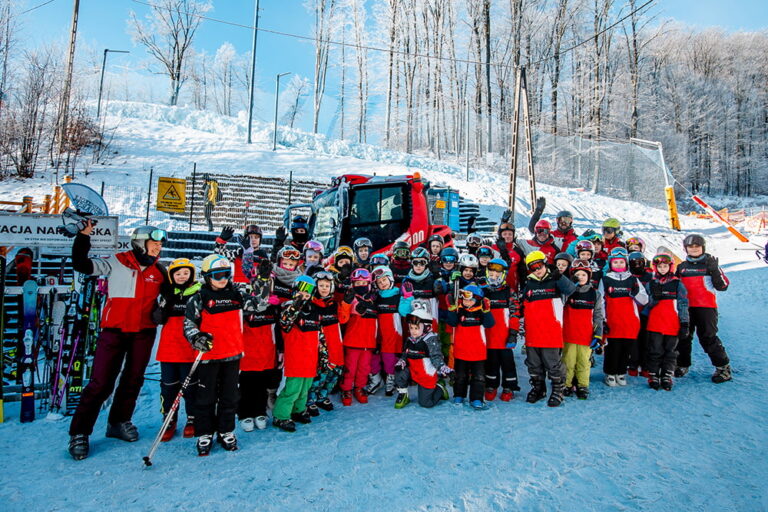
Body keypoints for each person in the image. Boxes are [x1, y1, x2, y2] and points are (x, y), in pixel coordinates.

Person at [67, 223, 167, 461]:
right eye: (154, 243)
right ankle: (79, 432)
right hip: (114, 330)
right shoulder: (116, 261)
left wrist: (164, 310)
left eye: (160, 244)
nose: (158, 248)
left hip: (143, 331)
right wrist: (83, 237)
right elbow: (81, 264)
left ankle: (119, 421)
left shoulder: (159, 271)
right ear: (140, 243)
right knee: (101, 382)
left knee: (133, 380)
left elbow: (174, 295)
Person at [183, 254, 269, 455]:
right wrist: (196, 337)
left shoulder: (236, 295)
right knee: (206, 397)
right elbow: (189, 324)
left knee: (230, 396)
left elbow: (261, 304)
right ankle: (204, 433)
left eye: (226, 275)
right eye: (217, 275)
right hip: (208, 357)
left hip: (232, 354)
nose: (222, 279)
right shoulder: (199, 298)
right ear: (206, 276)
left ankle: (226, 430)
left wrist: (263, 282)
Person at [152, 258, 201, 442]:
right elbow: (156, 319)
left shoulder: (197, 293)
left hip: (189, 349)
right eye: (178, 274)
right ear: (172, 276)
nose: (182, 277)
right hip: (169, 348)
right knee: (168, 387)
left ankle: (192, 418)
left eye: (186, 273)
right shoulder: (166, 292)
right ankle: (169, 419)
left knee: (191, 388)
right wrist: (165, 303)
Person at [520, 250, 577, 407]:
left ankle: (558, 389)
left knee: (552, 362)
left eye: (539, 266)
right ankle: (539, 388)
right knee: (534, 363)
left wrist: (558, 275)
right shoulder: (529, 284)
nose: (537, 270)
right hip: (533, 331)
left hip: (551, 330)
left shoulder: (555, 280)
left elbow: (571, 289)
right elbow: (523, 304)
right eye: (533, 268)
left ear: (545, 263)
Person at [675, 234, 732, 383]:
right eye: (690, 246)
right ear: (685, 248)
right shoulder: (682, 267)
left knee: (708, 337)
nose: (694, 249)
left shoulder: (710, 264)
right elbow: (674, 285)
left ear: (703, 247)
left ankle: (723, 367)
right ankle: (682, 364)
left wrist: (714, 270)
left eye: (697, 246)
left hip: (706, 307)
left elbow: (723, 286)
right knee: (684, 336)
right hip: (686, 307)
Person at [272, 276, 322, 432]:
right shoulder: (288, 307)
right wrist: (296, 305)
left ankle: (298, 410)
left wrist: (323, 355)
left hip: (310, 355)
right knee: (292, 388)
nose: (304, 297)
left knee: (305, 387)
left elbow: (320, 335)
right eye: (301, 293)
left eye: (307, 295)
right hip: (295, 355)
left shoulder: (314, 310)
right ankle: (281, 415)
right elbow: (285, 324)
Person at [237, 256, 280, 433]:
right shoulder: (246, 303)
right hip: (248, 352)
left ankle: (260, 410)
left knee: (262, 383)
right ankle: (244, 412)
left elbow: (279, 330)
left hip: (267, 351)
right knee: (247, 384)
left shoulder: (275, 306)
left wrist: (280, 349)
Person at [599, 248, 649, 387]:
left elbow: (644, 300)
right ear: (611, 264)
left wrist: (635, 293)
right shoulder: (606, 279)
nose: (619, 265)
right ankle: (610, 372)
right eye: (616, 262)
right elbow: (601, 300)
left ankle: (621, 372)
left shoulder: (632, 279)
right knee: (612, 348)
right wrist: (603, 319)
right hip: (613, 319)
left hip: (629, 320)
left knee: (626, 348)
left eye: (622, 262)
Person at [393, 300, 452, 409]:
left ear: (427, 327)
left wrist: (444, 368)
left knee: (426, 403)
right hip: (413, 370)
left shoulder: (430, 340)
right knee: (399, 371)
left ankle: (439, 387)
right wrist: (402, 361)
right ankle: (403, 394)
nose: (413, 331)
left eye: (416, 328)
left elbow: (436, 357)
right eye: (411, 328)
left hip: (426, 374)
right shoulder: (410, 339)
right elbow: (405, 353)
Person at [306, 271, 350, 414]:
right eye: (321, 285)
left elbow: (343, 319)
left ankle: (323, 395)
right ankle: (311, 398)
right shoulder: (312, 304)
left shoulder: (334, 304)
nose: (324, 288)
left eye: (327, 285)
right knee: (321, 373)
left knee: (335, 372)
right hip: (321, 345)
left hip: (336, 342)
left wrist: (346, 303)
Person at [644, 251, 689, 391]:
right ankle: (653, 374)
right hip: (655, 322)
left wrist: (684, 323)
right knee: (655, 350)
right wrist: (654, 299)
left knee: (671, 351)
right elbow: (646, 303)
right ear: (655, 267)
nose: (662, 269)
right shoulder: (651, 283)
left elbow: (683, 303)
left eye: (665, 266)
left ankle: (667, 375)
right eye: (659, 266)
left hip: (672, 322)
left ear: (670, 267)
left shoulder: (677, 284)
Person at [445, 284, 494, 409]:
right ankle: (459, 395)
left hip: (478, 351)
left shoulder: (480, 311)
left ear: (477, 299)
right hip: (461, 350)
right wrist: (451, 309)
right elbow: (452, 322)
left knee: (478, 376)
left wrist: (487, 311)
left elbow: (489, 324)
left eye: (470, 299)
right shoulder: (459, 309)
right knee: (460, 375)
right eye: (465, 299)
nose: (467, 302)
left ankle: (476, 398)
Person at [562, 261, 604, 400]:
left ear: (589, 276)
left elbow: (598, 315)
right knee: (567, 361)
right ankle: (566, 384)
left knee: (584, 362)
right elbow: (560, 303)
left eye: (583, 274)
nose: (580, 277)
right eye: (577, 274)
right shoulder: (567, 293)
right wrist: (569, 288)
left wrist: (598, 335)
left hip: (586, 335)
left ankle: (582, 385)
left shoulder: (594, 294)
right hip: (569, 334)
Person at [482, 258, 521, 401]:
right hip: (488, 335)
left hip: (504, 336)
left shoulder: (508, 292)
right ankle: (491, 385)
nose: (494, 277)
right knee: (491, 362)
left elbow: (515, 313)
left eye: (497, 275)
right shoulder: (483, 292)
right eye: (491, 274)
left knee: (507, 362)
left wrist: (513, 333)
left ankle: (509, 386)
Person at [340, 268, 378, 406]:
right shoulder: (352, 298)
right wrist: (346, 303)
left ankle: (359, 387)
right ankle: (346, 389)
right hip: (353, 341)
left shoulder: (374, 299)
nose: (360, 285)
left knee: (364, 368)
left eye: (363, 282)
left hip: (368, 342)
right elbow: (343, 319)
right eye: (357, 283)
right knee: (350, 367)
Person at [366, 266, 404, 396]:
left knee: (389, 356)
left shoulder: (397, 293)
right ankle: (376, 378)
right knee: (373, 353)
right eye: (379, 282)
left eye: (384, 280)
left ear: (391, 279)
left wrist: (408, 298)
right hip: (378, 328)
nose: (382, 284)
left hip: (392, 328)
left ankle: (391, 378)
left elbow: (405, 311)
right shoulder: (376, 296)